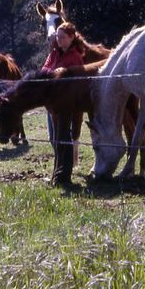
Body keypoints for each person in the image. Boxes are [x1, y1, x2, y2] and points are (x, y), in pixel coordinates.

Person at [41, 22, 85, 175]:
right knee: (53, 137)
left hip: (66, 104)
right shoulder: (54, 53)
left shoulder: (76, 57)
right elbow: (44, 69)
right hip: (51, 101)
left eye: (62, 37)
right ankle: (62, 166)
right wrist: (54, 72)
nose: (59, 40)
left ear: (72, 37)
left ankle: (63, 169)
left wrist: (63, 72)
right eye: (58, 37)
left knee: (62, 136)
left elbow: (77, 78)